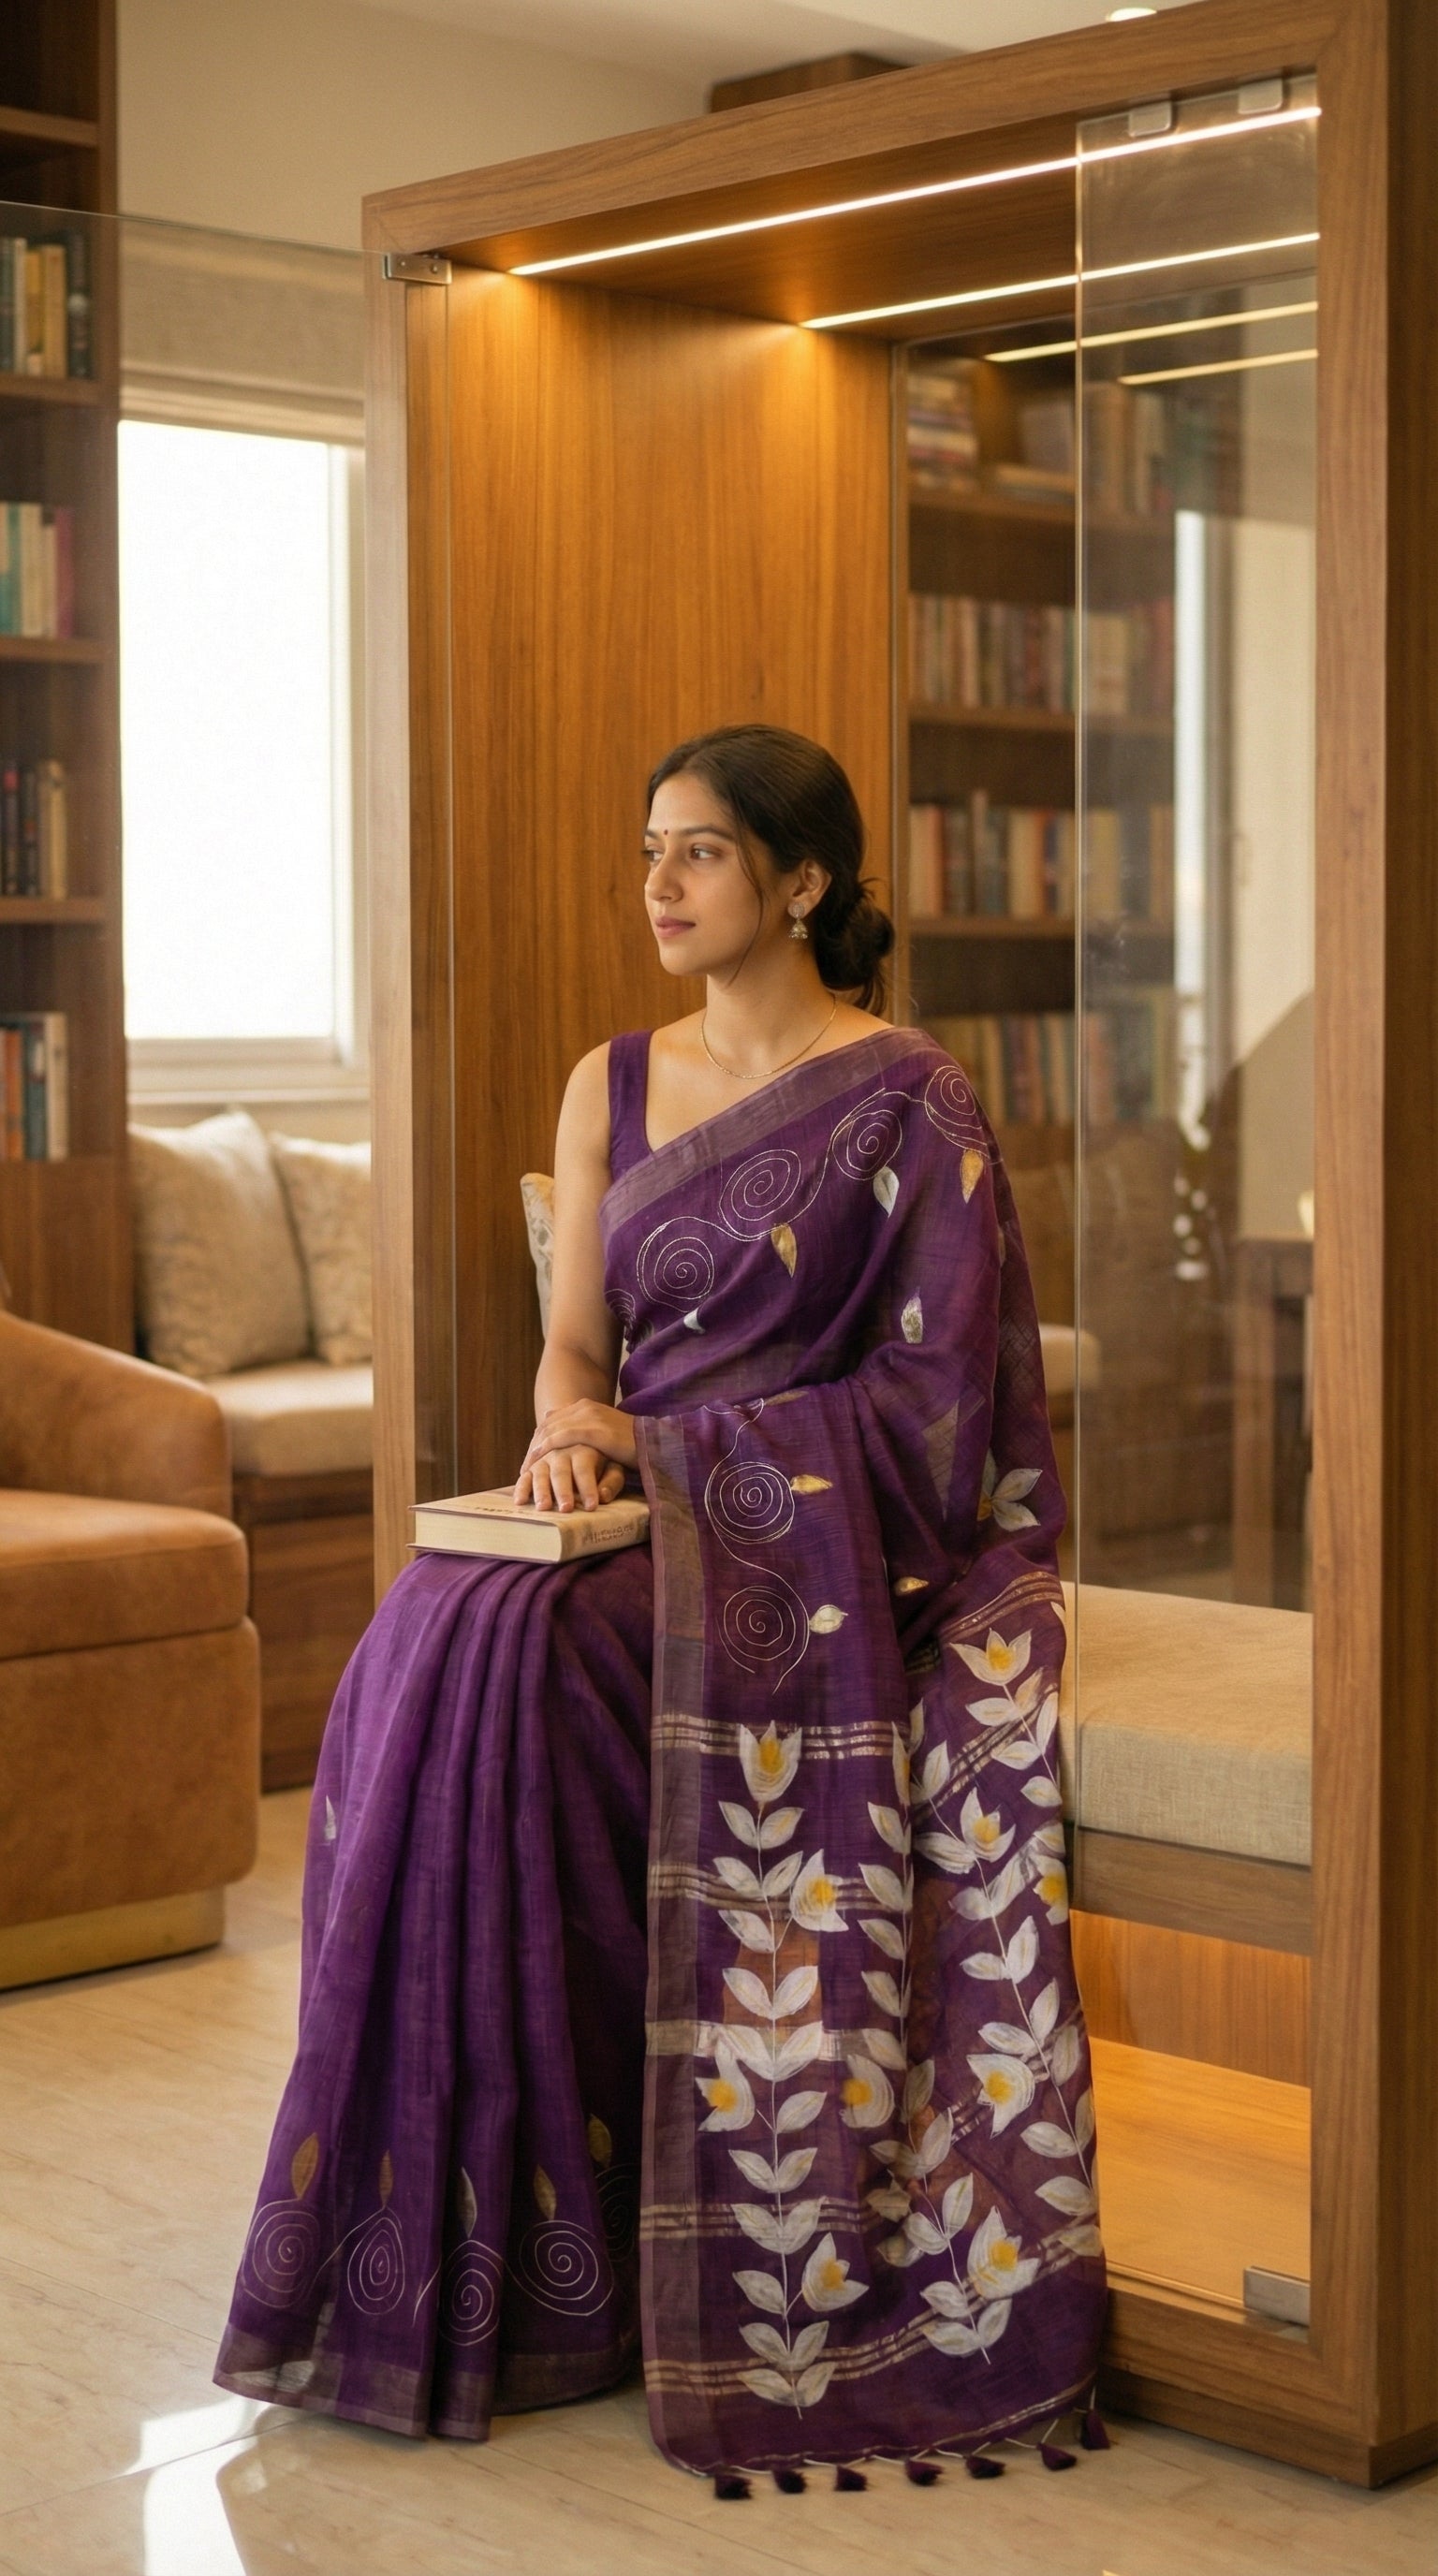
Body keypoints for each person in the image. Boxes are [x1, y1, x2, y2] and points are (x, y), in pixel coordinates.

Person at [216, 724, 1107, 2489]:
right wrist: (566, 1428)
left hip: (826, 1556)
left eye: (698, 854)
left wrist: (669, 1454)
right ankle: (479, 2248)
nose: (660, 887)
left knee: (534, 1669)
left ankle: (620, 2237)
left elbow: (937, 1418)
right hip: (627, 1510)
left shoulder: (909, 1097)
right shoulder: (607, 1080)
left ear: (800, 884)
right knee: (432, 1638)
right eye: (649, 852)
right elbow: (573, 1341)